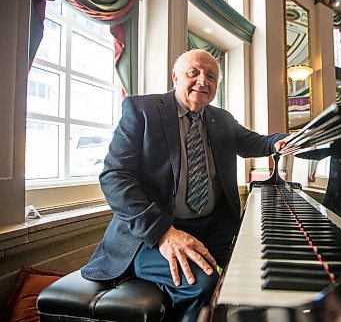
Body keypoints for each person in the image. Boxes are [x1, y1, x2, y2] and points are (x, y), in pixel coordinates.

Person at [80, 49, 288, 322]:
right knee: (204, 285)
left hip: (213, 227)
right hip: (152, 233)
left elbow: (257, 142)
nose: (203, 80)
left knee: (263, 266)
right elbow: (114, 177)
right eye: (194, 72)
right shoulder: (142, 110)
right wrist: (164, 233)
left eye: (211, 76)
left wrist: (282, 142)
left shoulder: (221, 119)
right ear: (175, 76)